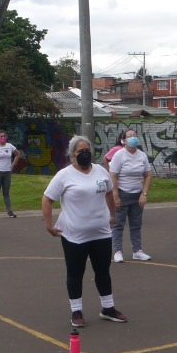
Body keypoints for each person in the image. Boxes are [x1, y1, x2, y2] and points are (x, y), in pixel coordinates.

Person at [42, 136, 125, 327]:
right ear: (72, 155)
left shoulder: (100, 171)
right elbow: (47, 199)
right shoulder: (64, 175)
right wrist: (49, 225)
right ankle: (76, 311)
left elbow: (109, 194)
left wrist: (112, 215)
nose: (85, 153)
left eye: (87, 149)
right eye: (80, 151)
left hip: (101, 232)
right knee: (75, 273)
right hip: (74, 235)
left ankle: (108, 308)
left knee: (103, 271)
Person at [109, 133, 153, 262]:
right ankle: (117, 251)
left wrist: (144, 194)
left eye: (134, 135)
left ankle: (137, 251)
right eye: (130, 136)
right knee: (118, 224)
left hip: (137, 194)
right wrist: (116, 196)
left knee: (136, 224)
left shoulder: (142, 155)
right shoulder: (119, 155)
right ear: (123, 140)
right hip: (122, 193)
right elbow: (113, 175)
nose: (133, 137)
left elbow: (148, 175)